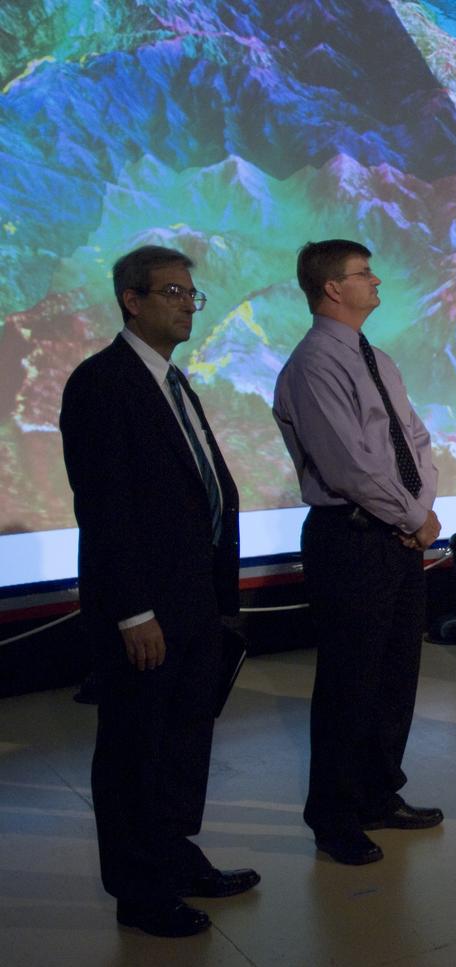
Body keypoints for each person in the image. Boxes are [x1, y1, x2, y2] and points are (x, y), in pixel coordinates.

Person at [60, 245, 257, 937]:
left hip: (195, 603)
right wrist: (135, 610)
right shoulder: (102, 383)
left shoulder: (176, 383)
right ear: (131, 300)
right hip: (144, 610)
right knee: (135, 750)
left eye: (190, 293)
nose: (186, 303)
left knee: (183, 740)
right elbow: (107, 509)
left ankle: (174, 853)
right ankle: (141, 892)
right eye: (171, 291)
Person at [273, 240, 443, 864]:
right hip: (350, 537)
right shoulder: (315, 364)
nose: (376, 282)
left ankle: (377, 792)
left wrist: (420, 507)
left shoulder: (380, 359)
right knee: (350, 682)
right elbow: (348, 465)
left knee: (395, 675)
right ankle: (335, 815)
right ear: (330, 289)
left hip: (395, 535)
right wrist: (413, 516)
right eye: (363, 274)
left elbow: (414, 439)